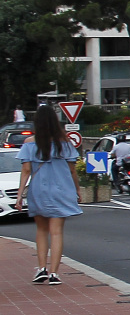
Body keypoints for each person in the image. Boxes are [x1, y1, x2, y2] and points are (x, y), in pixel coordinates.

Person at [15, 105, 81, 285]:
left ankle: (42, 268)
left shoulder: (30, 143)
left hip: (39, 190)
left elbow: (26, 170)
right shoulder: (65, 143)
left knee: (41, 230)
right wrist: (77, 190)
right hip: (61, 189)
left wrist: (20, 195)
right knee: (57, 232)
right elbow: (72, 170)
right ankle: (54, 273)